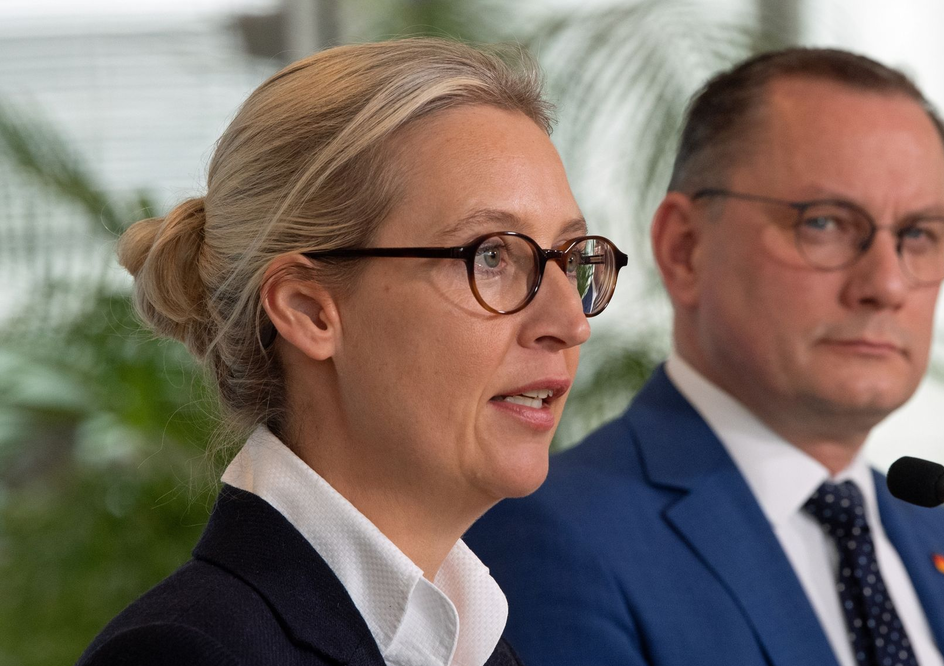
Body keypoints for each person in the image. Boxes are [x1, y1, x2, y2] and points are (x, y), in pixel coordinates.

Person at [467, 48, 944, 666]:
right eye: (825, 223)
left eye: (919, 235)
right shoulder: (552, 539)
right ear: (685, 249)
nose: (887, 285)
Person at [77, 37, 627, 666]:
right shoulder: (186, 654)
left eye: (569, 257)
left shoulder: (475, 646)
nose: (569, 322)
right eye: (492, 255)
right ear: (309, 312)